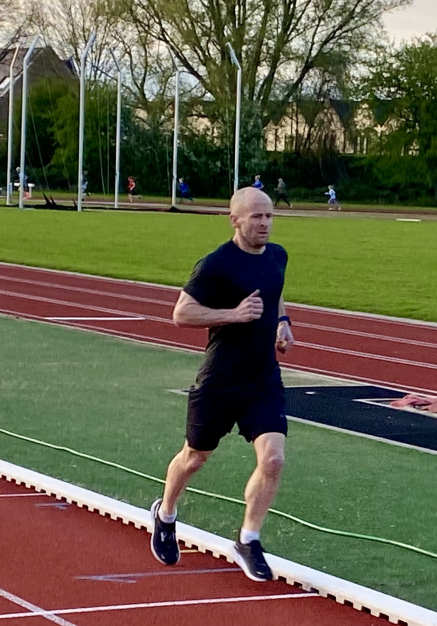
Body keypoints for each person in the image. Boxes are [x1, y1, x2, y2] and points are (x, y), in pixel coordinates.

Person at [150, 187, 294, 582]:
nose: (264, 223)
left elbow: (274, 295)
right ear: (235, 220)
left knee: (274, 460)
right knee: (194, 458)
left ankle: (249, 538)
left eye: (268, 216)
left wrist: (282, 324)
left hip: (263, 378)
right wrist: (234, 314)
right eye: (256, 217)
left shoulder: (278, 256)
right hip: (220, 380)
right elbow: (181, 313)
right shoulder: (216, 264)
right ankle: (165, 513)